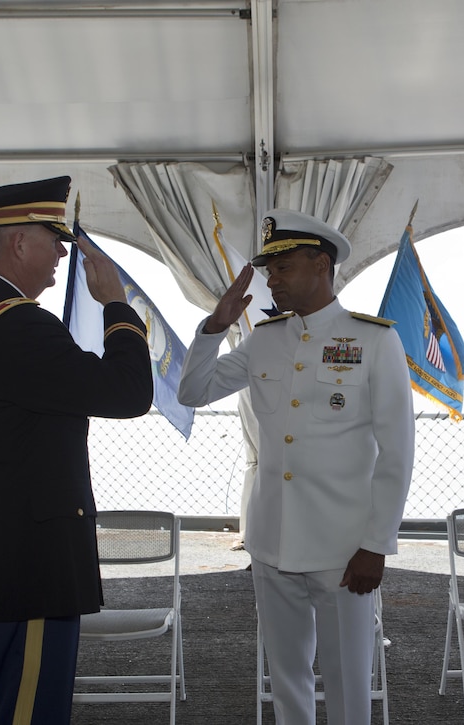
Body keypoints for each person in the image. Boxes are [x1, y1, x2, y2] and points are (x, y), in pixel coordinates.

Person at [0, 176, 154, 724]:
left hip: (1, 560)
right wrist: (116, 304)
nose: (63, 251)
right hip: (26, 570)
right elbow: (129, 392)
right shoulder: (15, 325)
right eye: (53, 237)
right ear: (20, 243)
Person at [177, 208, 415, 724]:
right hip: (272, 541)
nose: (271, 280)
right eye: (269, 270)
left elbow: (397, 451)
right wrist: (213, 328)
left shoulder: (374, 340)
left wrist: (377, 544)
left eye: (283, 268)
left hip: (343, 548)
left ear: (321, 264)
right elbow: (192, 390)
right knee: (287, 680)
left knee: (348, 682)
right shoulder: (264, 338)